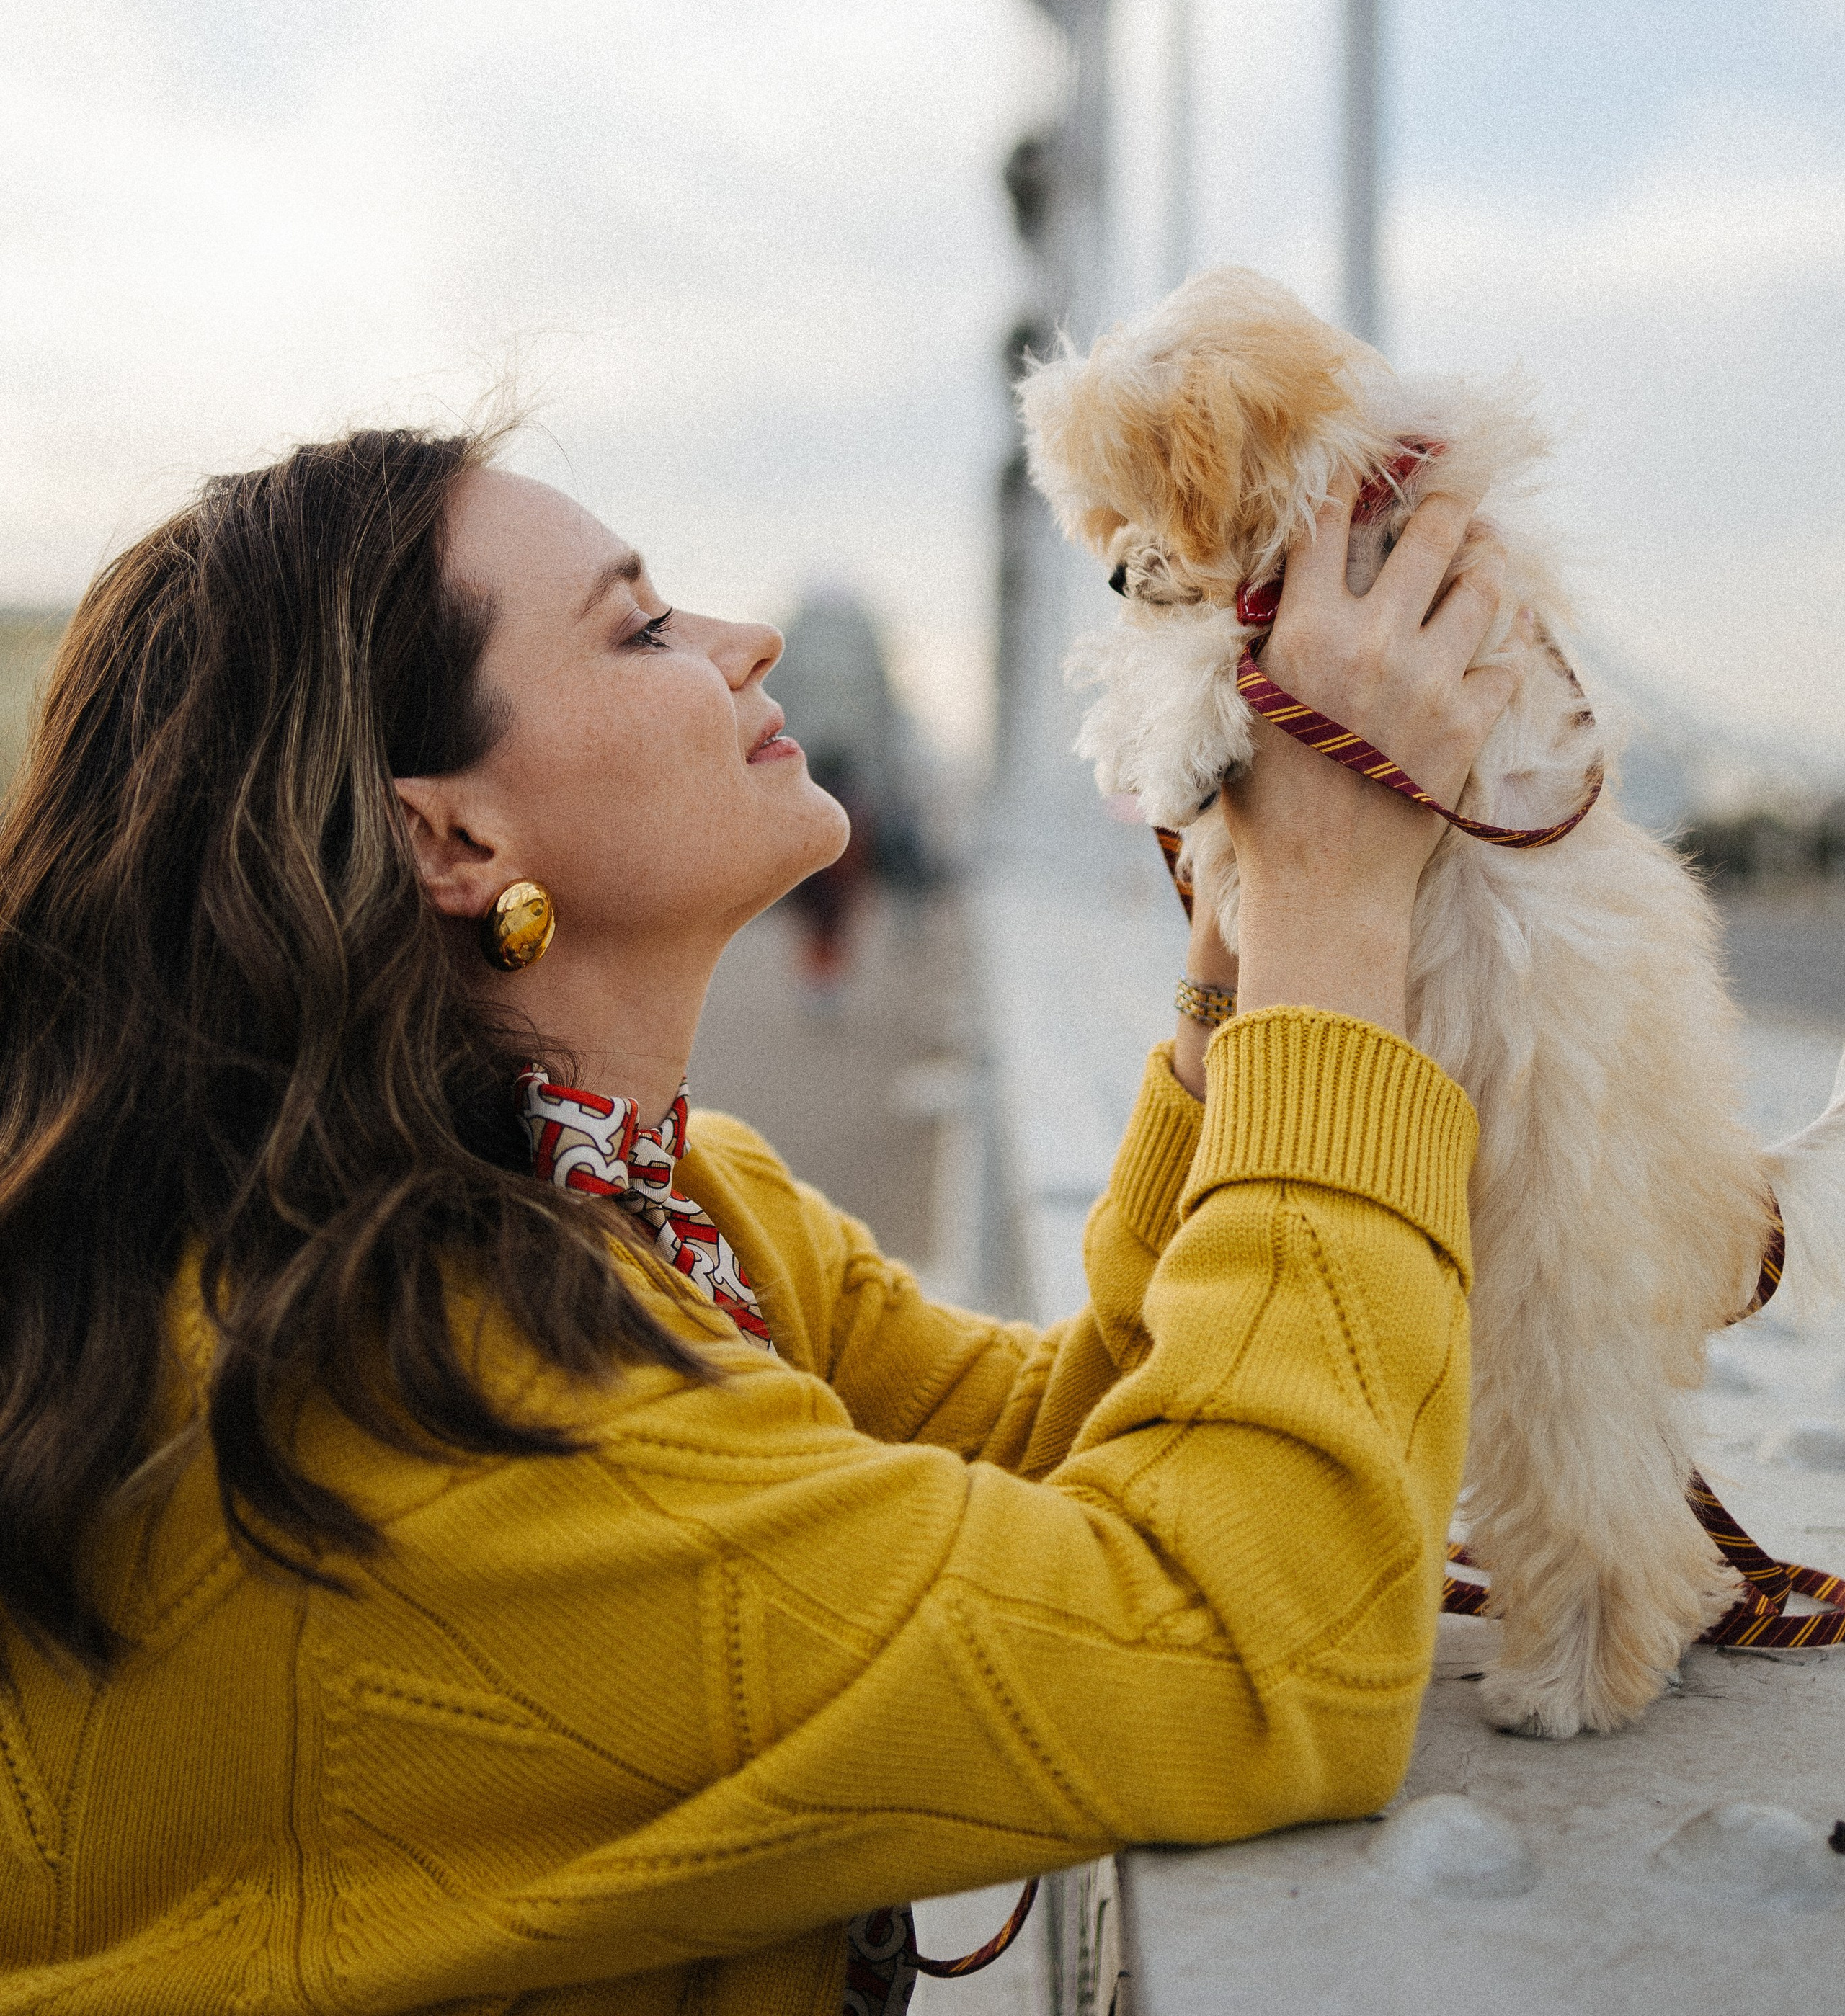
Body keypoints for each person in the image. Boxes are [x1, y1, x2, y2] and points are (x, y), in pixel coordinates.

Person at [0, 427, 1515, 2015]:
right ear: (452, 839)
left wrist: (1236, 960)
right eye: (641, 628)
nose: (748, 643)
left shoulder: (671, 1208)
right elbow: (1258, 1652)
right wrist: (1342, 910)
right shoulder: (426, 1386)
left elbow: (1069, 1453)